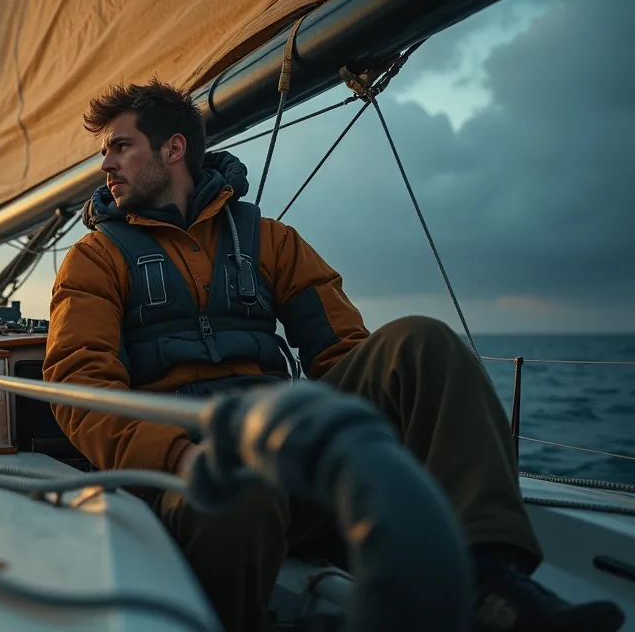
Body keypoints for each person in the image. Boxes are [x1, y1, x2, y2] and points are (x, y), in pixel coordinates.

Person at [42, 79, 625, 632]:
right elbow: (82, 385)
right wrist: (180, 458)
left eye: (121, 146)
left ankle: (488, 579)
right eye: (105, 151)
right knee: (239, 497)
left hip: (288, 451)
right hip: (187, 476)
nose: (106, 164)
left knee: (421, 342)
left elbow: (344, 351)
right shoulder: (96, 258)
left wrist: (367, 444)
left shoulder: (270, 240)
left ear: (173, 149)